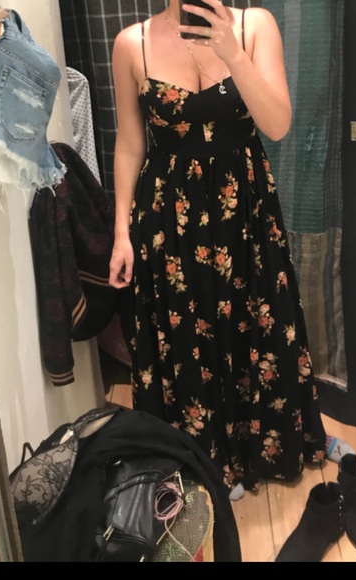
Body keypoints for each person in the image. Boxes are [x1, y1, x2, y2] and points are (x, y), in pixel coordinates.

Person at [109, 0, 327, 499]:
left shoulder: (254, 26)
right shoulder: (131, 44)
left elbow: (277, 124)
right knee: (185, 331)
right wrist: (121, 232)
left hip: (244, 214)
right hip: (169, 220)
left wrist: (233, 54)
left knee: (256, 321)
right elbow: (130, 144)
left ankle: (257, 450)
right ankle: (201, 456)